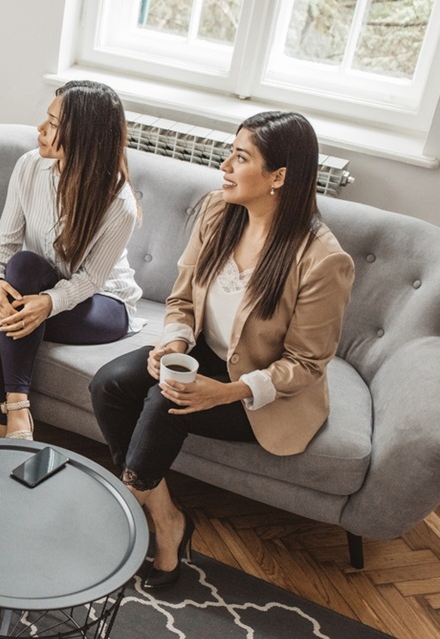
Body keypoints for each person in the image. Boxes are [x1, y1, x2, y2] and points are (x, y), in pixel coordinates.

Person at [88, 111, 354, 590]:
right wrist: (172, 340)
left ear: (279, 177)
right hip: (204, 353)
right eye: (230, 152)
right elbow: (182, 298)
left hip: (266, 392)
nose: (225, 166)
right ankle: (168, 518)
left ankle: (119, 515)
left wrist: (227, 392)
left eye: (240, 157)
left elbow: (307, 364)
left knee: (165, 402)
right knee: (109, 383)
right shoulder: (217, 209)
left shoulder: (322, 259)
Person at [0, 81, 144, 441]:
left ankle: (10, 420)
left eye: (52, 124)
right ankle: (15, 414)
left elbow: (91, 280)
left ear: (82, 135)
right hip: (41, 282)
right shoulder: (29, 167)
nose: (40, 129)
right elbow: (4, 241)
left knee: (9, 293)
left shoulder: (119, 202)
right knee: (10, 278)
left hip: (103, 303)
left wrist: (49, 303)